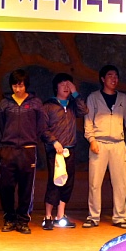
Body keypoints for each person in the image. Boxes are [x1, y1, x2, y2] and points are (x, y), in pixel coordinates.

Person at [83, 65, 126, 229]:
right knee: (94, 183)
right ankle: (93, 217)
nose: (114, 79)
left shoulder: (123, 99)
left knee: (121, 183)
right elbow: (88, 121)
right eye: (110, 75)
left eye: (116, 76)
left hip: (118, 144)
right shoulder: (93, 97)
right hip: (99, 143)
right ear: (102, 79)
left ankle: (119, 217)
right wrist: (91, 139)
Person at [0, 69, 46, 234]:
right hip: (8, 149)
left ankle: (23, 220)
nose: (17, 89)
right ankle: (9, 219)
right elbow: (2, 124)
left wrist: (29, 138)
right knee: (6, 187)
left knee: (26, 188)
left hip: (28, 150)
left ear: (26, 85)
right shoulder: (5, 103)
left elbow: (40, 125)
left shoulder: (35, 103)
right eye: (15, 86)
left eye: (20, 85)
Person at [41, 73, 89, 230]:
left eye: (68, 84)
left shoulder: (73, 105)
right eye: (62, 84)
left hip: (70, 149)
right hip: (55, 150)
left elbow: (84, 110)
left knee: (68, 183)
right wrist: (54, 141)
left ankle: (60, 215)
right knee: (54, 182)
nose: (66, 87)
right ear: (56, 87)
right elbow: (42, 128)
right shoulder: (48, 106)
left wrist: (75, 93)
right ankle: (48, 216)